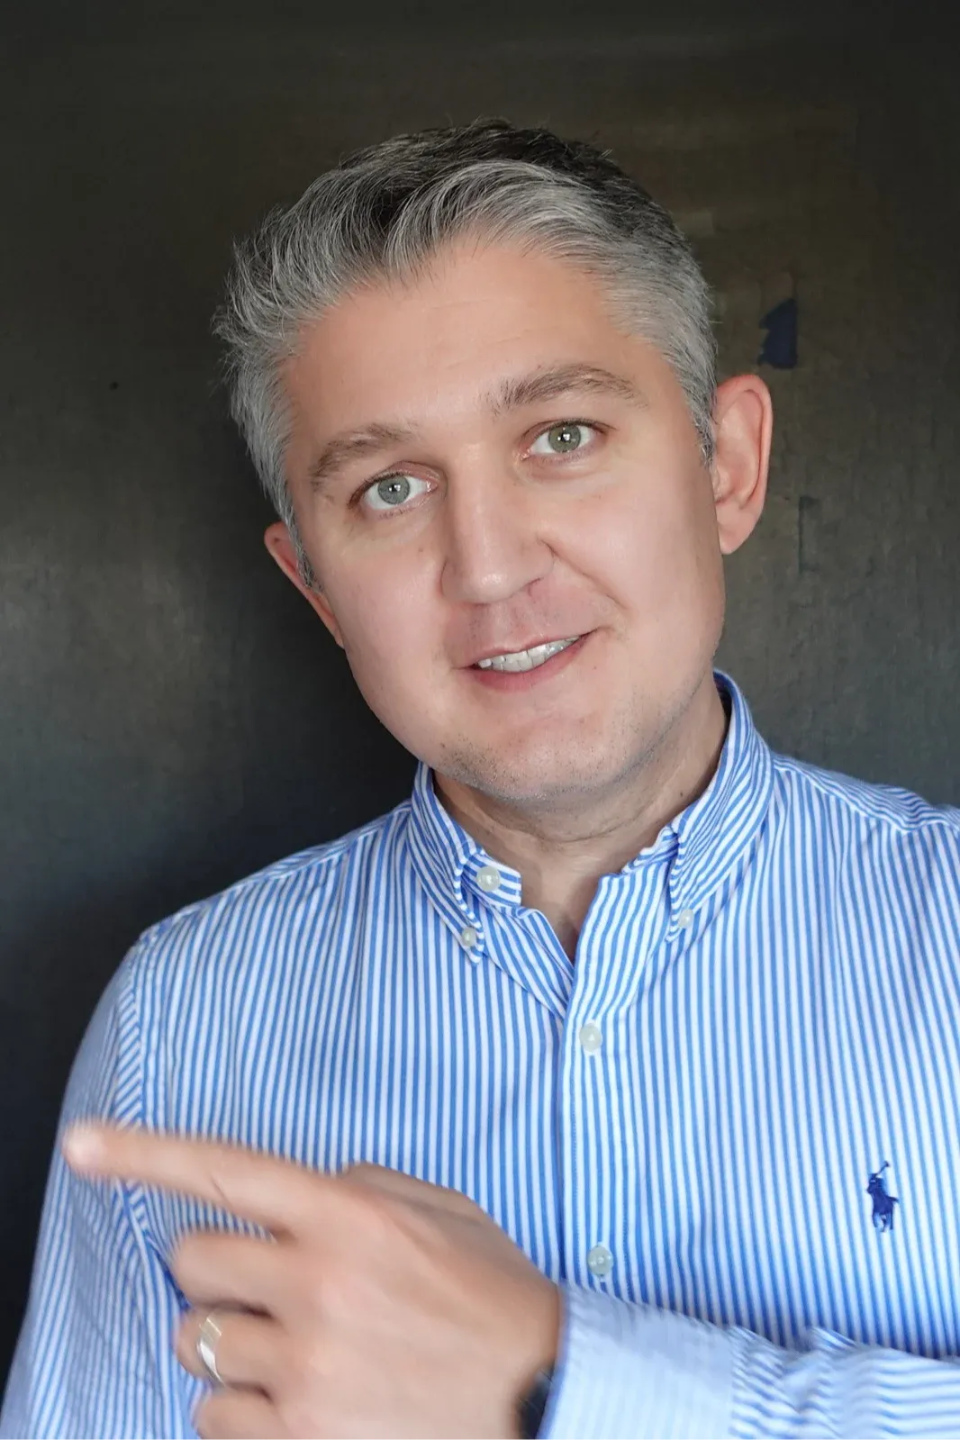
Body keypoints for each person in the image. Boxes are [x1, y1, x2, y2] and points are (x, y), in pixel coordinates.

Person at [2, 118, 959, 1440]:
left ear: (728, 466)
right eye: (391, 491)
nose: (493, 567)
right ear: (314, 585)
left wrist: (558, 1379)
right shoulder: (179, 1030)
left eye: (563, 435)